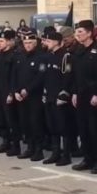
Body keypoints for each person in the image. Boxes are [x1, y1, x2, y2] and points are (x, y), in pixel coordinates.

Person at [71, 20, 97, 175]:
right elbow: (75, 75)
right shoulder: (78, 50)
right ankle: (88, 158)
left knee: (96, 129)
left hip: (95, 95)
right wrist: (74, 92)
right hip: (81, 94)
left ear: (89, 33)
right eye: (77, 32)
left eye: (80, 32)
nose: (78, 34)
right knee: (84, 129)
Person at [12, 33, 47, 161]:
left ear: (35, 43)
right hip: (21, 97)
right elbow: (14, 75)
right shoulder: (19, 57)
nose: (27, 45)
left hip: (34, 96)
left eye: (30, 43)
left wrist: (28, 89)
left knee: (36, 123)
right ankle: (30, 148)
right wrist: (15, 91)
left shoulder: (41, 57)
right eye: (25, 43)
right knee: (25, 123)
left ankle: (38, 150)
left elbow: (41, 76)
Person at [42, 31, 74, 165]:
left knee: (63, 127)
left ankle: (66, 155)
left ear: (57, 42)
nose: (47, 43)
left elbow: (68, 75)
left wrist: (64, 93)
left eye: (49, 41)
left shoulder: (66, 56)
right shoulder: (48, 56)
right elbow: (45, 75)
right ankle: (55, 153)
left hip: (60, 97)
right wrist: (44, 92)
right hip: (49, 96)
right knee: (52, 126)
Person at [0, 30, 17, 155]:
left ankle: (15, 145)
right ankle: (6, 142)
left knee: (11, 120)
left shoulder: (14, 56)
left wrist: (11, 93)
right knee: (1, 119)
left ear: (9, 42)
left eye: (2, 41)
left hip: (8, 92)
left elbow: (14, 76)